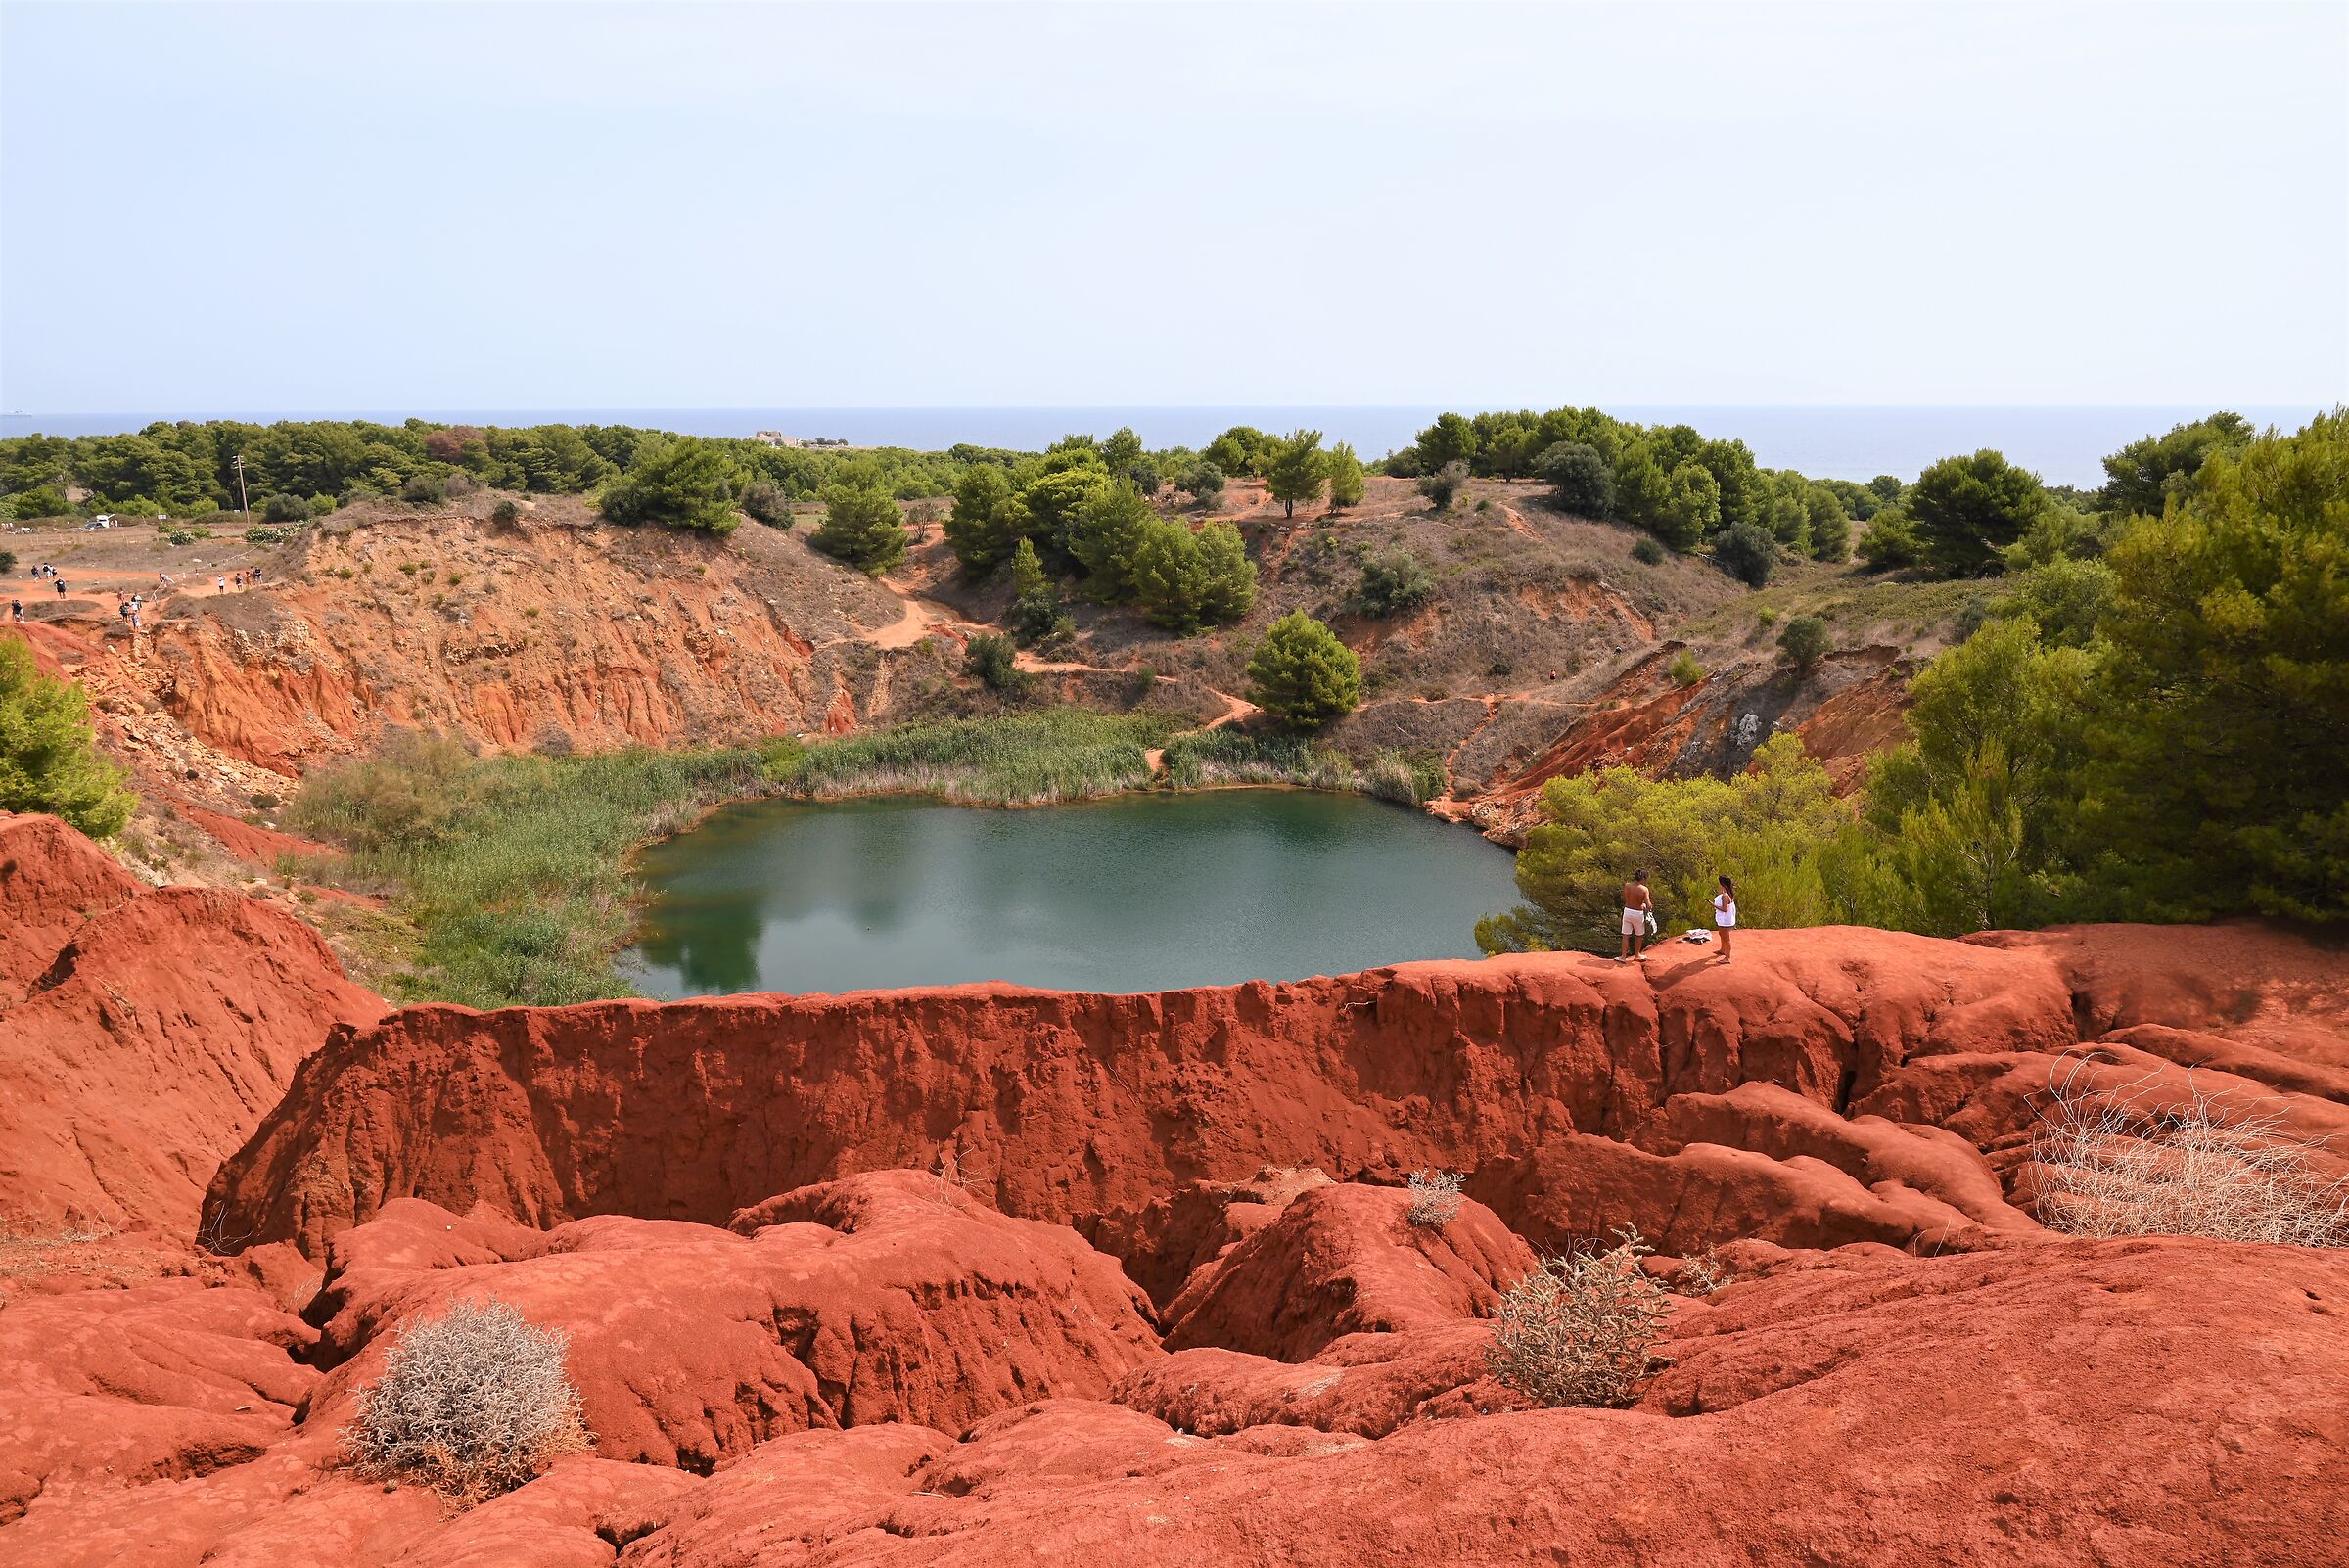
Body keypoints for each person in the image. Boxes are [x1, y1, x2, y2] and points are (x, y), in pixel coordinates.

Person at [1620, 869, 1654, 961]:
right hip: (1637, 913)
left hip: (1627, 911)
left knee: (1625, 935)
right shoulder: (1644, 889)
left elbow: (1625, 898)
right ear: (1643, 878)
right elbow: (1649, 905)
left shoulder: (1627, 885)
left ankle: (1623, 956)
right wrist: (1646, 905)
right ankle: (1637, 955)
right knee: (1639, 935)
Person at [1713, 875, 1737, 962]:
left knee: (1726, 938)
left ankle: (1728, 958)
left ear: (1724, 885)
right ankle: (1723, 950)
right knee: (1721, 933)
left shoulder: (1725, 895)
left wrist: (1713, 905)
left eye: (1720, 884)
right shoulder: (1728, 894)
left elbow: (1724, 909)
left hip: (1725, 920)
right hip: (1724, 919)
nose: (1718, 886)